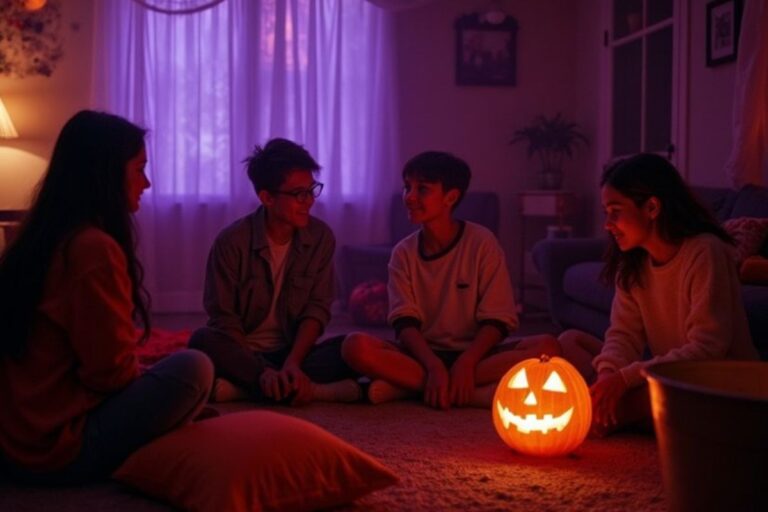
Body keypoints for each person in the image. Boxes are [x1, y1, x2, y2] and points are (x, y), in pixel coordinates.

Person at [0, 110, 213, 484]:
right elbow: (110, 375)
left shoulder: (39, 238)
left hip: (14, 438)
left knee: (175, 378)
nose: (145, 183)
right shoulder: (92, 248)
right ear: (105, 175)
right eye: (138, 169)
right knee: (194, 368)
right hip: (56, 449)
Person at [558, 153, 759, 436]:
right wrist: (608, 377)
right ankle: (624, 411)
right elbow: (622, 336)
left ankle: (621, 415)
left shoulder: (705, 252)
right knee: (570, 341)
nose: (607, 224)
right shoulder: (634, 262)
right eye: (606, 212)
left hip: (716, 383)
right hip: (669, 373)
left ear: (651, 207)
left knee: (599, 415)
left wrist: (624, 380)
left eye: (615, 211)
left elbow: (707, 349)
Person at [342, 151, 560, 409]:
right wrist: (433, 366)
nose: (409, 197)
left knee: (548, 347)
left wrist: (466, 363)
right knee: (354, 346)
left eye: (422, 189)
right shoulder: (403, 253)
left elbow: (498, 319)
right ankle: (469, 392)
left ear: (451, 197)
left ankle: (410, 388)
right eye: (407, 187)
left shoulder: (482, 243)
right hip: (421, 357)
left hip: (477, 357)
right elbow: (404, 322)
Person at [189, 138, 359, 405]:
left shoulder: (320, 237)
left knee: (353, 348)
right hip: (242, 355)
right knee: (201, 341)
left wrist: (293, 362)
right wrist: (261, 370)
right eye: (298, 194)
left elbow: (317, 309)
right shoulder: (232, 242)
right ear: (267, 197)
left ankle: (247, 390)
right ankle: (303, 389)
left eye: (312, 190)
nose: (309, 201)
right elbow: (224, 318)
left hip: (293, 353)